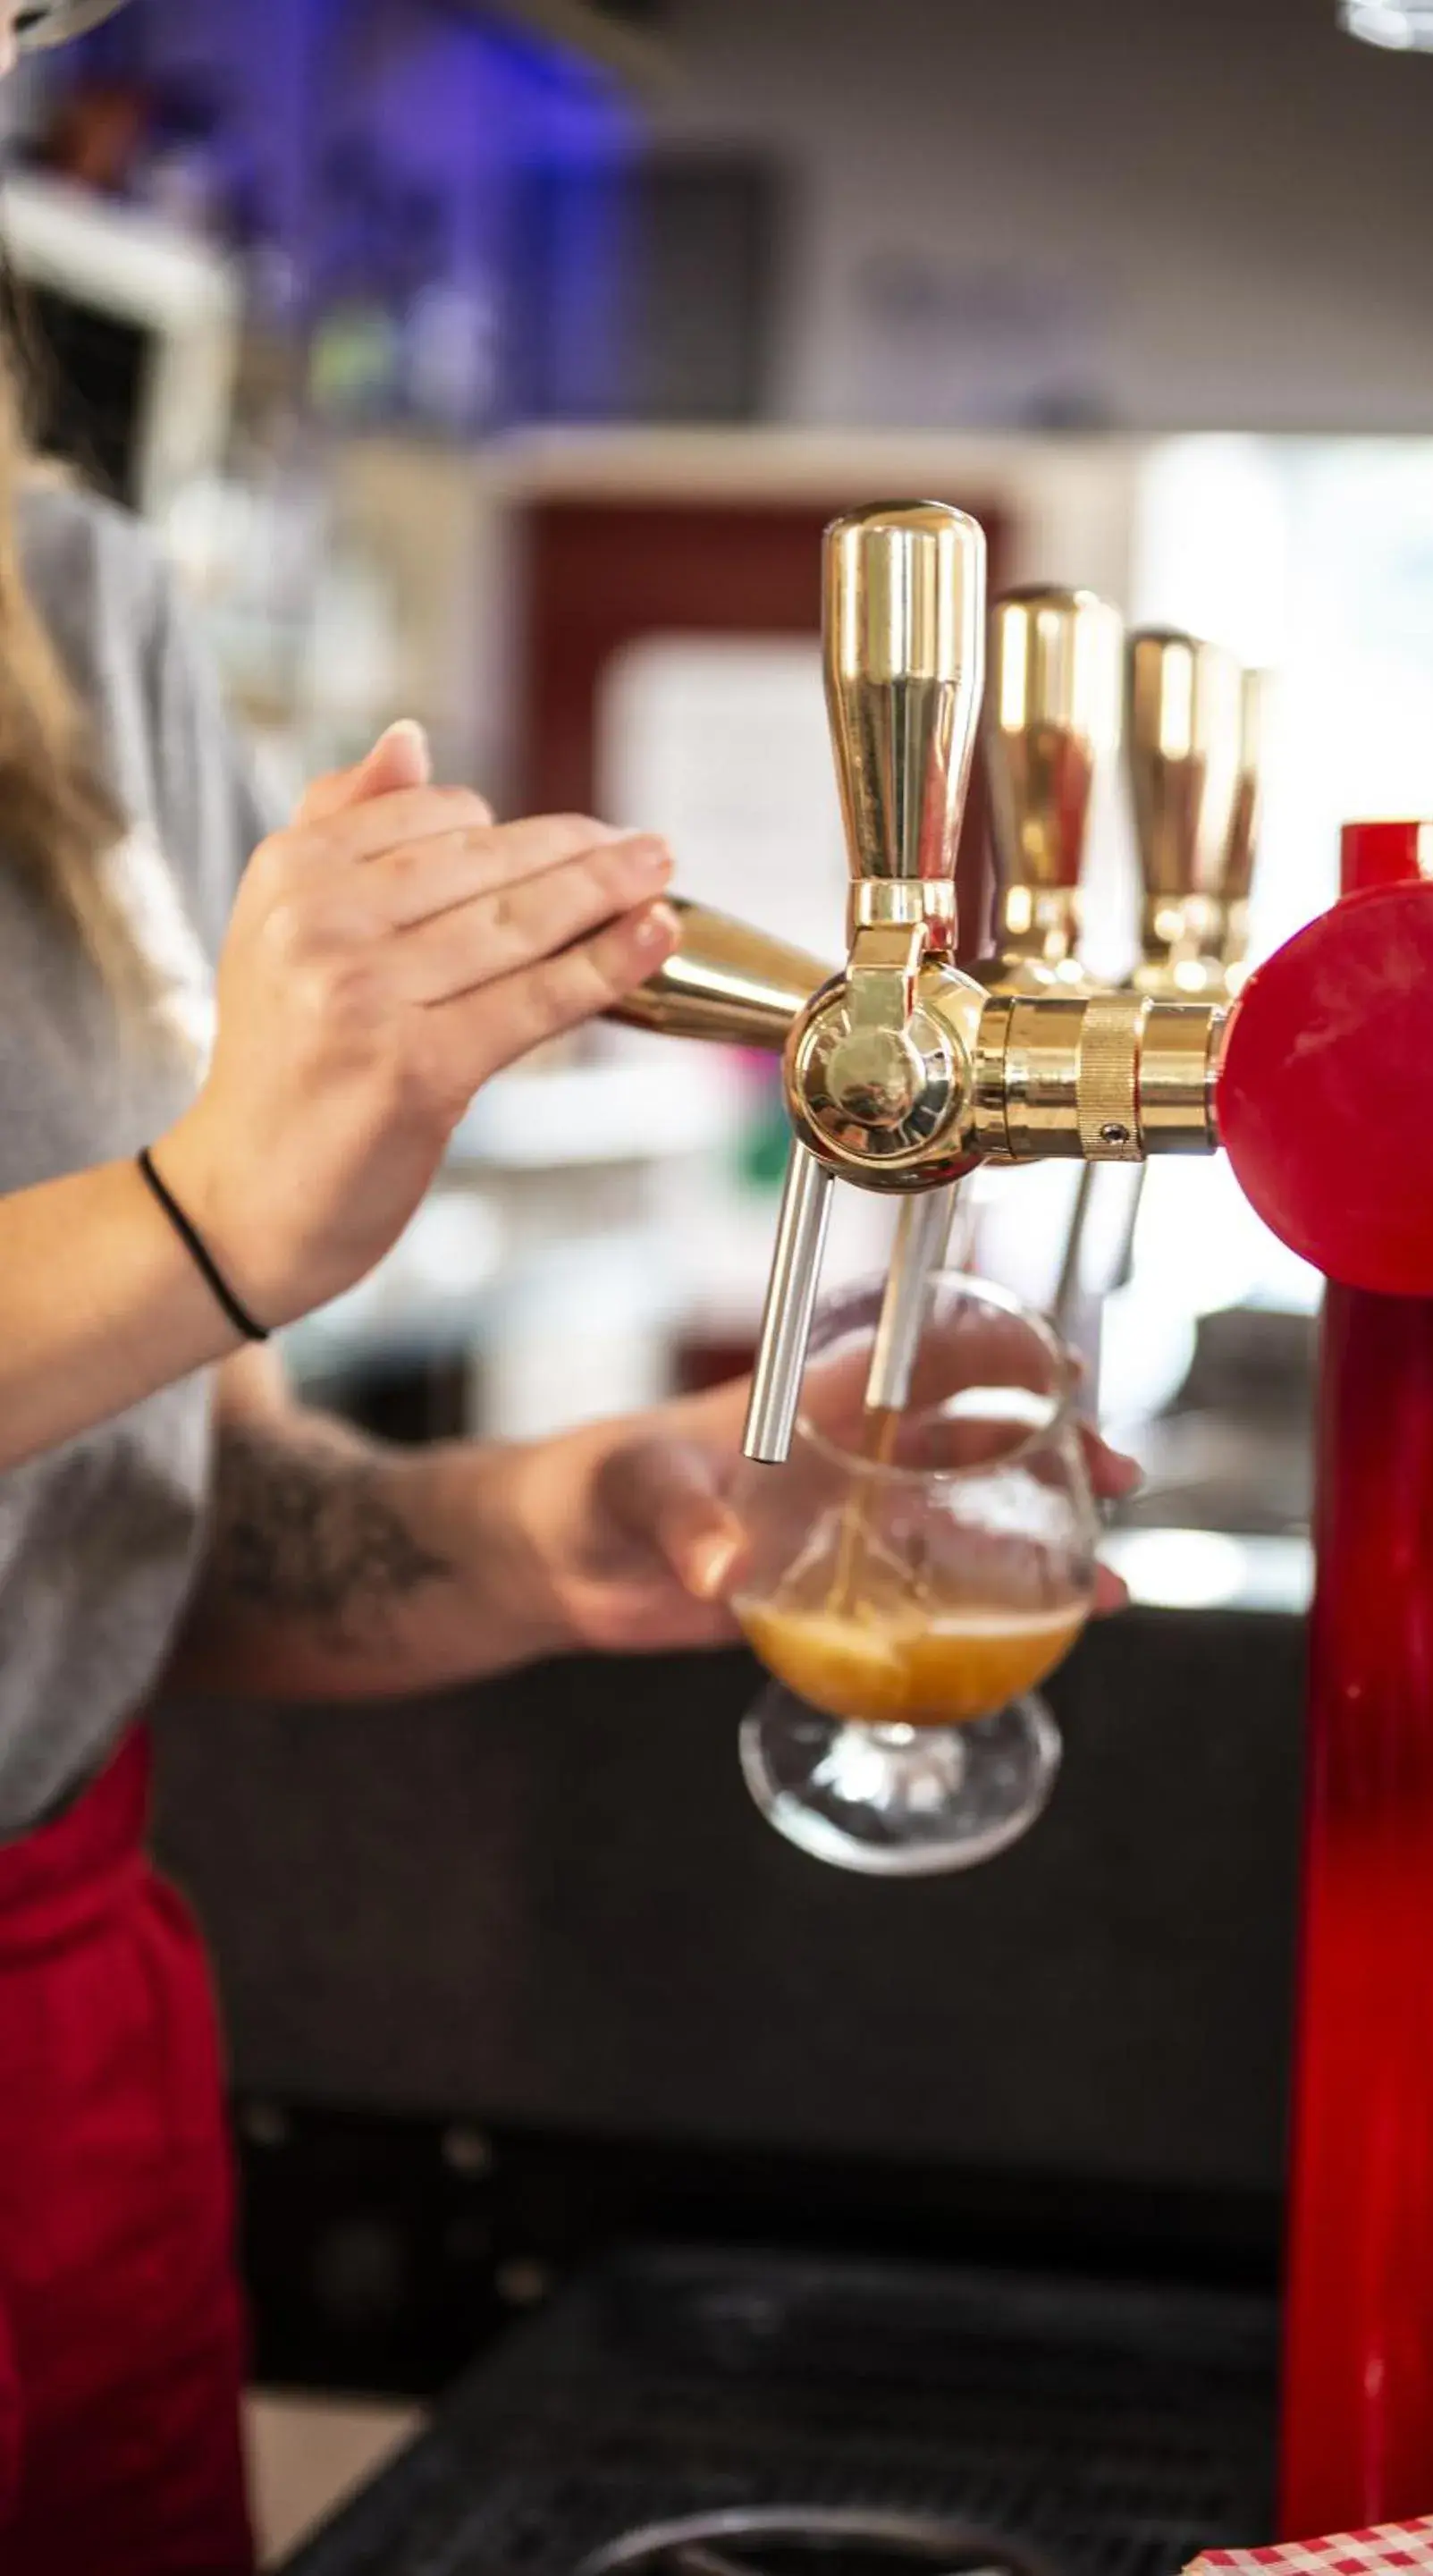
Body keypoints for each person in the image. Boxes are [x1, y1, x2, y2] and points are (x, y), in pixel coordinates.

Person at [0, 13, 1139, 2572]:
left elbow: (142, 1509)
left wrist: (546, 1530)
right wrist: (214, 1208)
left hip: (57, 2066)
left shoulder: (75, 611)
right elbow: (189, 1240)